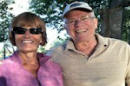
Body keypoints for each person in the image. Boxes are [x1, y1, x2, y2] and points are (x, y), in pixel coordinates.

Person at [50, 1, 130, 86]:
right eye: (72, 21)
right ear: (65, 28)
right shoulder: (54, 56)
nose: (79, 24)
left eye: (84, 18)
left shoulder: (123, 49)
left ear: (95, 22)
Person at [0, 12, 63, 86]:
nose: (27, 35)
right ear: (13, 36)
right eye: (20, 30)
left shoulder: (54, 67)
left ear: (41, 38)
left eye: (35, 31)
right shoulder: (3, 70)